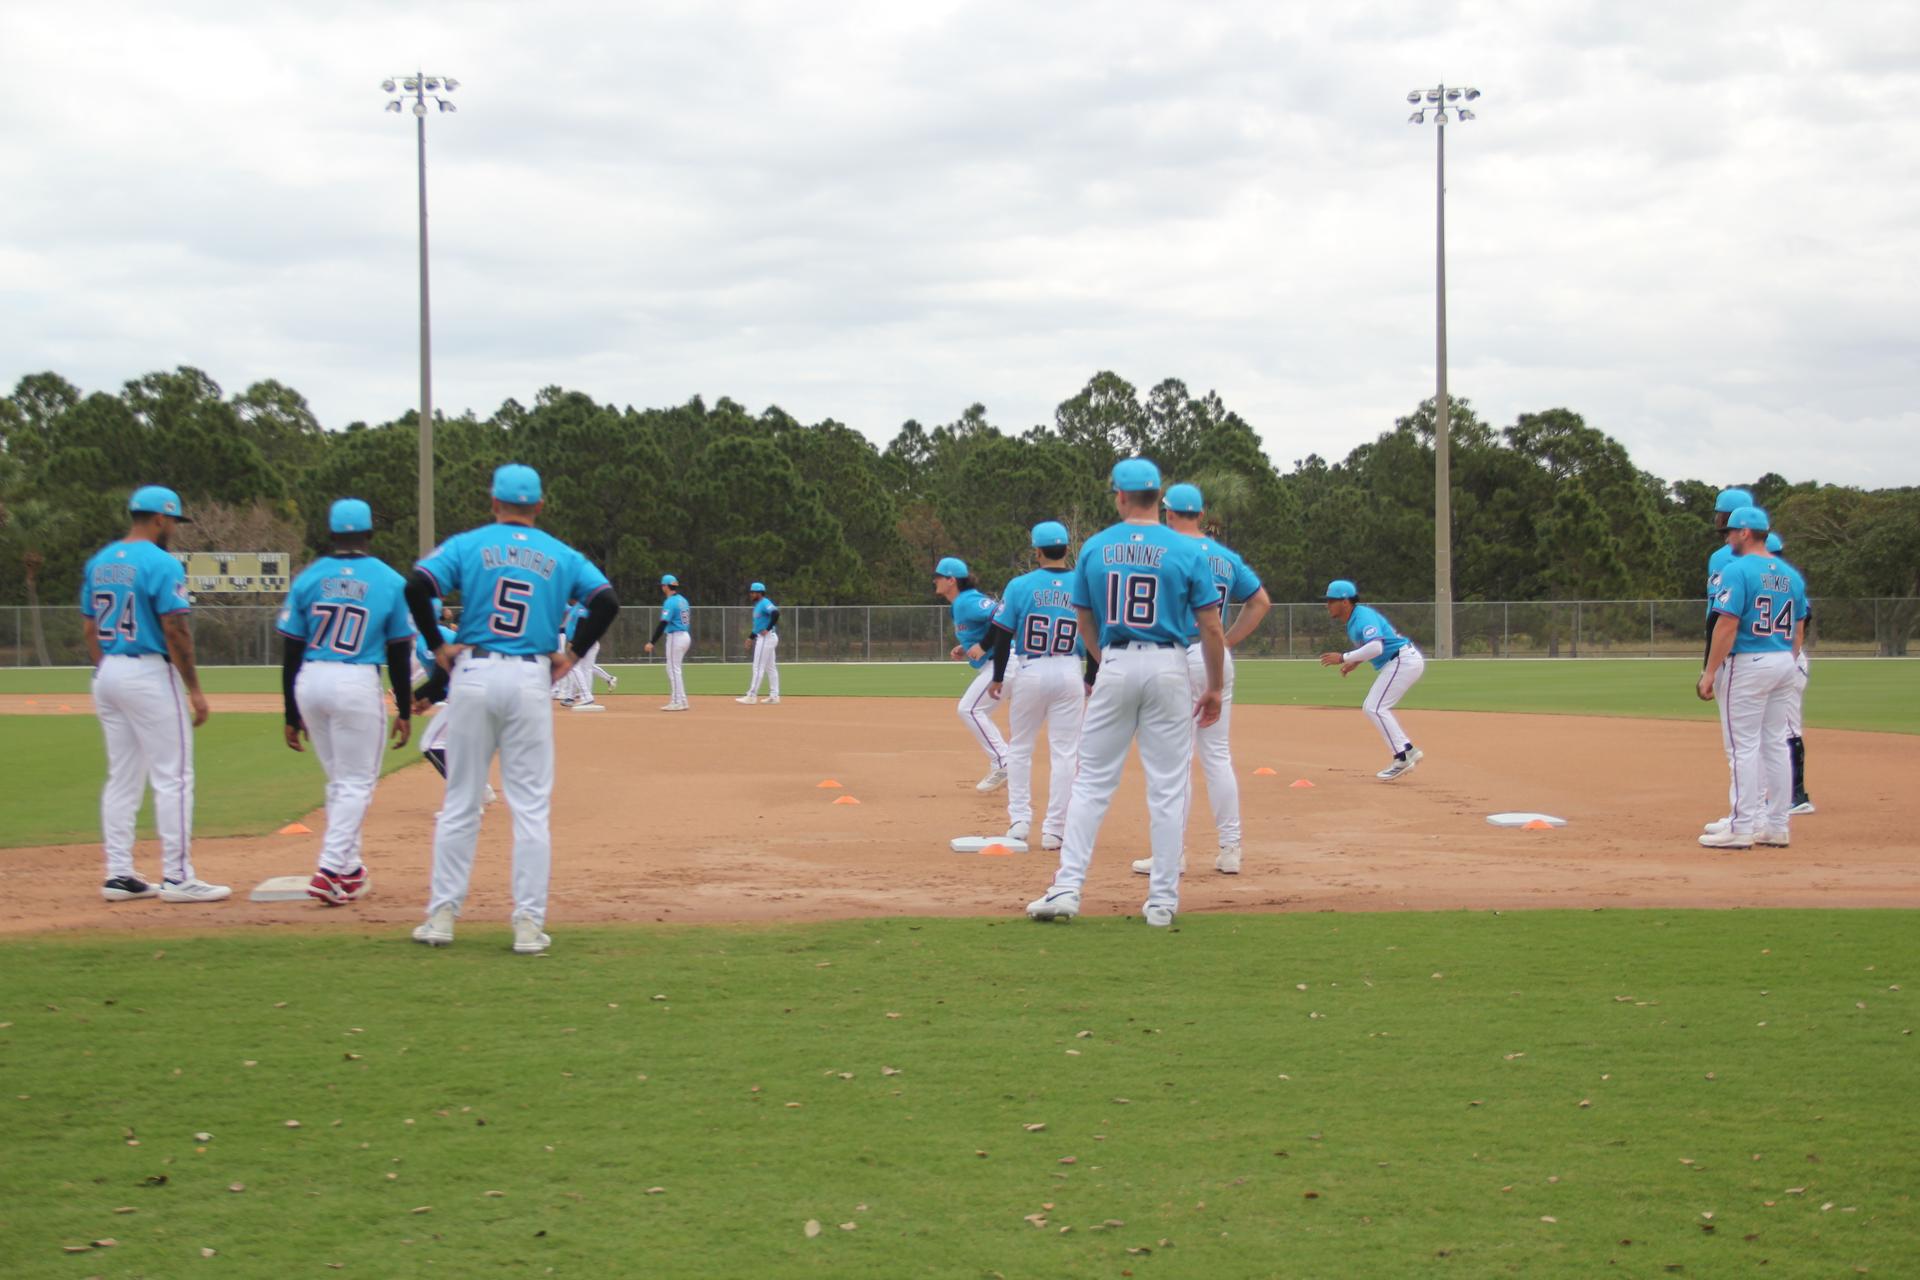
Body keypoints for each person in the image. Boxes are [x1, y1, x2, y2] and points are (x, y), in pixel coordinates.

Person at [405, 463, 620, 954]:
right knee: (530, 808)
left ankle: (441, 917)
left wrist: (438, 644)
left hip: (474, 673)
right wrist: (571, 653)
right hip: (529, 676)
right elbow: (607, 600)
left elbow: (417, 585)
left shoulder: (466, 544)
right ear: (539, 507)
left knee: (460, 801)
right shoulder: (562, 554)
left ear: (494, 503)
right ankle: (527, 924)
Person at [1027, 458, 1224, 928]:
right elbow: (1212, 627)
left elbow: (1085, 619)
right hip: (1169, 663)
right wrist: (1214, 687)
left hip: (1114, 659)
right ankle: (1161, 901)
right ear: (1160, 498)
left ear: (1119, 496)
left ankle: (1067, 888)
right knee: (1168, 787)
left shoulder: (1095, 547)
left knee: (1092, 782)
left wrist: (1107, 660)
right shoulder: (1187, 549)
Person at [80, 485, 227, 903]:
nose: (174, 531)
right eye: (174, 522)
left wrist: (105, 668)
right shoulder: (162, 563)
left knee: (122, 777)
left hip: (108, 670)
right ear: (160, 519)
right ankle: (179, 877)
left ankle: (118, 874)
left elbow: (90, 628)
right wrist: (194, 689)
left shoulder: (99, 561)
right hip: (147, 670)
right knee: (174, 776)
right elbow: (175, 629)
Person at [276, 499, 416, 906]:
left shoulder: (309, 577)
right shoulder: (389, 580)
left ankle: (350, 870)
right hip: (355, 679)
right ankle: (329, 868)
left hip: (310, 678)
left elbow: (290, 649)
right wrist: (405, 709)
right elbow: (397, 651)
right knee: (357, 783)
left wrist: (290, 711)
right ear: (370, 533)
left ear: (331, 534)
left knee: (340, 781)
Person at [1131, 484, 1270, 876]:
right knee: (1217, 756)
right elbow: (1261, 601)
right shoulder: (1226, 557)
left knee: (1175, 760)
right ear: (1201, 514)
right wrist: (1227, 640)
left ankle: (1172, 854)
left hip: (1176, 655)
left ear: (1170, 513)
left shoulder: (1164, 551)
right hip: (1215, 656)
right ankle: (1230, 850)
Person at [1697, 507, 1806, 850]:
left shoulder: (1737, 570)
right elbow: (1800, 624)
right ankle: (1776, 825)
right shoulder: (1790, 576)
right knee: (1775, 744)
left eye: (1730, 532)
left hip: (1748, 660)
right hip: (1783, 659)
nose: (1727, 537)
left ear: (1745, 532)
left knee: (1743, 747)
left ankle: (1742, 826)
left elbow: (1726, 624)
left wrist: (1710, 671)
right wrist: (1787, 659)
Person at [985, 522, 1091, 848]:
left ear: (1037, 551)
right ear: (1067, 549)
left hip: (1031, 668)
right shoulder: (1083, 585)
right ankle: (1054, 830)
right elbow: (1094, 633)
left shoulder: (1020, 585)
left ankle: (1019, 821)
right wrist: (1091, 676)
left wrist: (998, 676)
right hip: (1070, 669)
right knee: (1064, 753)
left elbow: (1003, 636)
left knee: (1020, 748)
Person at [1319, 581, 1425, 779]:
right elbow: (1374, 645)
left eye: (1331, 601)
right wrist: (1356, 661)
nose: (1328, 605)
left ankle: (1402, 757)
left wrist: (1344, 657)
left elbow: (1376, 647)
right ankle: (1408, 750)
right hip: (1401, 661)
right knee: (1374, 706)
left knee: (1374, 707)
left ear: (1345, 602)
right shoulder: (1354, 619)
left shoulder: (1362, 617)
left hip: (1402, 660)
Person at [936, 556, 1011, 791]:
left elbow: (1002, 615)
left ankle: (1004, 762)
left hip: (1008, 661)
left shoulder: (968, 600)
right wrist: (966, 646)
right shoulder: (960, 603)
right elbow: (987, 627)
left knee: (969, 708)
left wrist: (985, 645)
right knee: (982, 712)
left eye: (938, 577)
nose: (934, 581)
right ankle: (1007, 763)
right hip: (1007, 661)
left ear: (951, 580)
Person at [412, 599, 495, 806]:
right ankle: (480, 791)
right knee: (461, 745)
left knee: (431, 744)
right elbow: (448, 677)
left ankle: (469, 798)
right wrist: (429, 699)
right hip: (485, 690)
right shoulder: (436, 635)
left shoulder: (427, 640)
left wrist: (417, 696)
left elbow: (443, 676)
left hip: (473, 693)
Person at [644, 573, 692, 711]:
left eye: (663, 585)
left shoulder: (670, 602)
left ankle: (677, 701)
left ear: (666, 586)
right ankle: (682, 700)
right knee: (675, 669)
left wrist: (652, 642)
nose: (662, 587)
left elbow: (663, 623)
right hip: (685, 635)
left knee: (672, 669)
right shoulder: (683, 600)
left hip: (675, 637)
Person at [558, 598, 616, 711]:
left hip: (582, 640)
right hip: (587, 640)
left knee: (573, 667)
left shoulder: (582, 606)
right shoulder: (578, 606)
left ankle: (585, 696)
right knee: (586, 669)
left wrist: (573, 642)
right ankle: (585, 697)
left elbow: (581, 624)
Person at [738, 581, 781, 704]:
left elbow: (776, 613)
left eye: (753, 592)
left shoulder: (765, 603)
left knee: (758, 667)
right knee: (770, 667)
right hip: (766, 638)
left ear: (760, 593)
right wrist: (750, 638)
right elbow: (758, 626)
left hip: (767, 639)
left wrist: (767, 629)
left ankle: (751, 696)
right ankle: (774, 696)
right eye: (751, 592)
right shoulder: (758, 606)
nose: (751, 594)